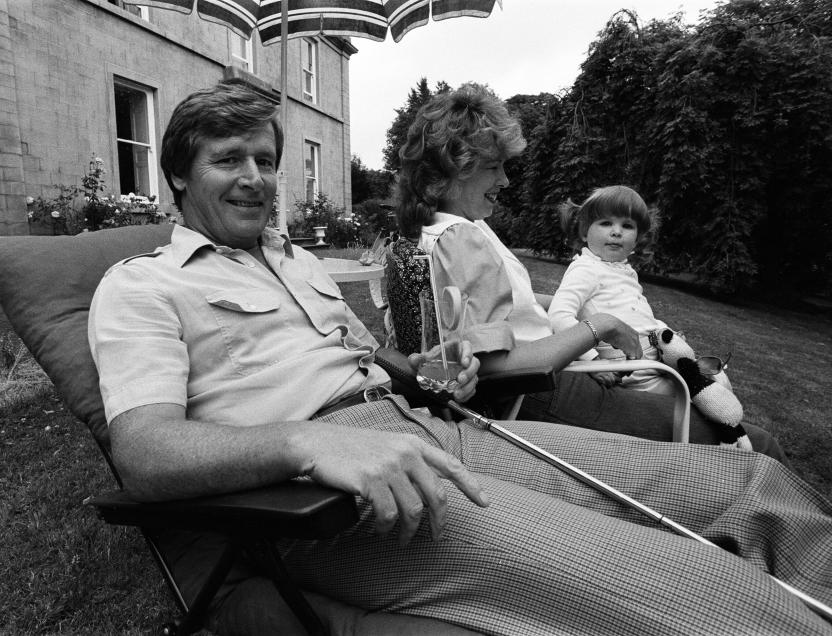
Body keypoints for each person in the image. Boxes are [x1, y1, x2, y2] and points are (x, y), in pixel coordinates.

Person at [88, 80, 832, 635]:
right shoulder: (142, 285)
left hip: (441, 429)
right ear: (179, 175)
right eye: (227, 159)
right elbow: (145, 452)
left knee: (753, 484)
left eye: (263, 158)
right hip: (337, 495)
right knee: (698, 589)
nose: (253, 176)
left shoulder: (297, 263)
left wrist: (437, 372)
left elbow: (368, 359)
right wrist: (307, 443)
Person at [394, 82, 775, 455]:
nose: (505, 180)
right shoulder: (463, 238)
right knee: (758, 444)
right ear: (455, 168)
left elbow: (498, 306)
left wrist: (572, 305)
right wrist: (599, 326)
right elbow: (495, 367)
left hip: (552, 386)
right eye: (494, 167)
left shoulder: (441, 230)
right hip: (542, 396)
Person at [549, 185, 751, 449]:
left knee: (715, 384)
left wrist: (662, 330)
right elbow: (559, 315)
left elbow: (637, 315)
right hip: (629, 372)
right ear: (585, 230)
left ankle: (731, 433)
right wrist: (593, 359)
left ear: (638, 238)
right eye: (606, 222)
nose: (616, 231)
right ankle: (728, 444)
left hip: (656, 365)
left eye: (627, 225)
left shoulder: (624, 272)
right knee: (703, 406)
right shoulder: (585, 269)